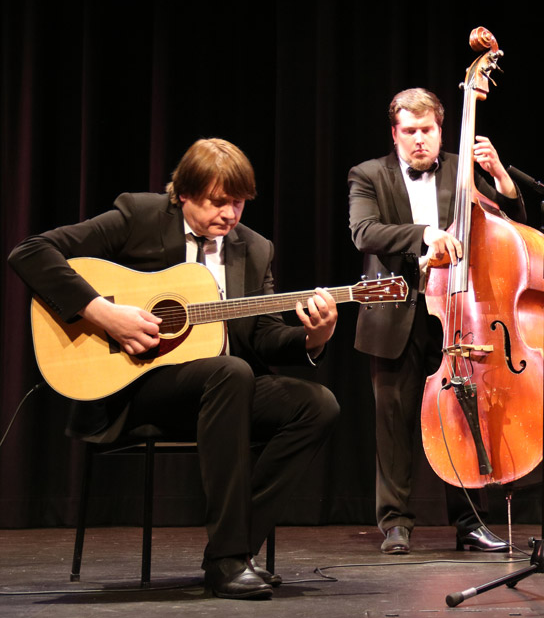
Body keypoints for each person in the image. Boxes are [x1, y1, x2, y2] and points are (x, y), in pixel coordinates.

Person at [8, 138, 341, 600]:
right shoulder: (140, 216)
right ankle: (228, 563)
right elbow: (30, 252)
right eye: (217, 202)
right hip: (133, 388)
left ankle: (234, 550)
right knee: (232, 372)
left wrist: (314, 337)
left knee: (317, 404)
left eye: (239, 203)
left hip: (217, 396)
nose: (229, 215)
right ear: (183, 193)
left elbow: (262, 335)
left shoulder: (254, 248)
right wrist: (104, 313)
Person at [348, 88, 524, 554]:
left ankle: (470, 521)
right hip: (395, 316)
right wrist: (425, 234)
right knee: (394, 422)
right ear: (395, 133)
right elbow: (364, 232)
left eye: (427, 130)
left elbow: (512, 224)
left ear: (441, 130)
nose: (419, 140)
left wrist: (500, 177)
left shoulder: (462, 172)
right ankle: (396, 524)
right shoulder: (368, 175)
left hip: (460, 315)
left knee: (465, 420)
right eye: (410, 131)